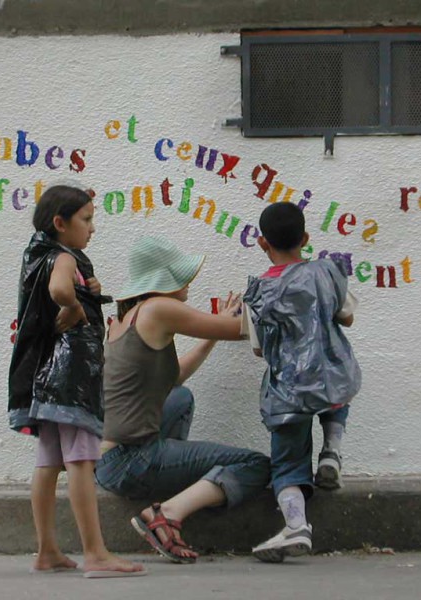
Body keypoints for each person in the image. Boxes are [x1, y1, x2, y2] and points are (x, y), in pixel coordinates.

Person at [95, 235, 271, 564]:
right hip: (132, 462)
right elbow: (239, 330)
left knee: (181, 397)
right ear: (164, 279)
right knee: (256, 464)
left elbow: (171, 379)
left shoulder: (127, 318)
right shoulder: (160, 309)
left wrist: (214, 334)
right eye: (182, 274)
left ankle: (172, 482)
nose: (189, 281)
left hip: (108, 459)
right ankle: (167, 513)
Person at [8, 185, 145, 578]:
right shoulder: (64, 257)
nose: (92, 228)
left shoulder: (38, 255)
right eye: (86, 219)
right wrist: (73, 306)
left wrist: (88, 295)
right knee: (83, 460)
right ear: (59, 223)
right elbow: (59, 289)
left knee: (48, 462)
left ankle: (47, 550)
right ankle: (96, 554)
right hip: (71, 380)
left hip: (45, 380)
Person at [244, 202, 361, 563]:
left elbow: (259, 350)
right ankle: (331, 450)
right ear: (306, 239)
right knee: (337, 391)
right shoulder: (327, 271)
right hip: (330, 376)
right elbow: (348, 316)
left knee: (287, 467)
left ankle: (296, 524)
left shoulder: (258, 292)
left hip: (288, 391)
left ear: (263, 244)